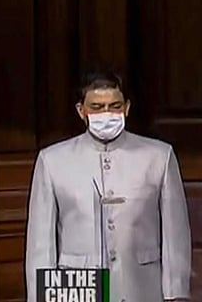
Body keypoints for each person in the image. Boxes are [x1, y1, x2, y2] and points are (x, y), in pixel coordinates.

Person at [24, 70, 191, 302]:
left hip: (141, 288)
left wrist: (176, 293)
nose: (106, 114)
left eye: (114, 106)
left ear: (127, 108)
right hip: (77, 290)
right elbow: (40, 246)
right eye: (97, 107)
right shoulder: (52, 161)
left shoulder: (159, 156)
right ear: (81, 111)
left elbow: (176, 236)